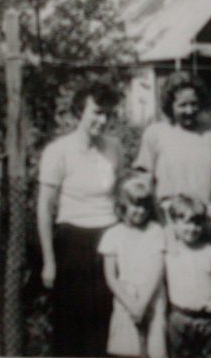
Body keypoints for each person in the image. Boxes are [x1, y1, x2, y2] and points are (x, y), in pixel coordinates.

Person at [37, 80, 122, 357]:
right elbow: (44, 208)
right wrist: (49, 261)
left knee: (105, 324)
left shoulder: (114, 148)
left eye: (108, 114)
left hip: (108, 242)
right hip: (72, 244)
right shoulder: (58, 151)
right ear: (78, 111)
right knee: (70, 327)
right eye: (97, 112)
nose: (103, 120)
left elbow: (121, 195)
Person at [133, 72, 211, 231]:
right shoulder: (155, 133)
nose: (189, 110)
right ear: (170, 105)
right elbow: (143, 179)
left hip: (209, 217)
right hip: (171, 219)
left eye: (194, 104)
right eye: (182, 105)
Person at [98, 174, 167, 358]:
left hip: (152, 299)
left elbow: (158, 270)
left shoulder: (155, 231)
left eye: (145, 206)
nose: (141, 211)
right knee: (129, 351)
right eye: (135, 205)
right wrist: (131, 304)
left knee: (155, 350)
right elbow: (111, 277)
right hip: (126, 300)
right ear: (123, 205)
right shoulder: (112, 234)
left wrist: (143, 303)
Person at [164, 194, 211, 358]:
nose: (192, 228)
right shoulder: (170, 252)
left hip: (207, 320)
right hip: (179, 318)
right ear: (175, 224)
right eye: (186, 222)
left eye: (197, 223)